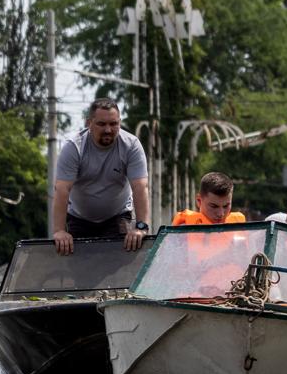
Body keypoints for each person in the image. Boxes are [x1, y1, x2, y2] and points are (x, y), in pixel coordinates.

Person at [51, 99, 149, 256]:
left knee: (120, 262)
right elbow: (62, 189)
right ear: (89, 123)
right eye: (102, 124)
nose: (108, 130)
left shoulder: (131, 145)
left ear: (119, 123)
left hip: (118, 216)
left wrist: (141, 227)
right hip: (79, 218)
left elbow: (140, 187)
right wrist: (59, 231)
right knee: (81, 271)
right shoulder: (74, 147)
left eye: (113, 124)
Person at [171, 171, 246, 226]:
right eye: (214, 206)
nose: (221, 214)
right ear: (199, 201)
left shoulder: (240, 229)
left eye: (226, 206)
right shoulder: (183, 230)